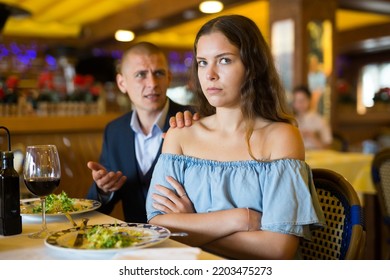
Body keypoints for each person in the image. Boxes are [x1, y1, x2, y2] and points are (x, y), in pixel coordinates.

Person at [146, 15, 326, 260]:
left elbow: (277, 249)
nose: (209, 74)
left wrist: (191, 224)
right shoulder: (180, 135)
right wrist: (242, 218)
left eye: (224, 60)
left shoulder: (282, 137)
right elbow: (157, 226)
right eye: (201, 62)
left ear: (253, 66)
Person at [86, 42, 196, 223]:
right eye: (141, 75)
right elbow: (95, 206)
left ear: (168, 77)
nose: (152, 83)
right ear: (122, 83)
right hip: (135, 242)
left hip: (185, 241)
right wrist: (104, 189)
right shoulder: (115, 131)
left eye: (158, 73)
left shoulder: (192, 121)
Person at [292, 85, 332, 150]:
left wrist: (312, 137)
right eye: (296, 101)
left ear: (309, 100)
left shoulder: (320, 120)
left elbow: (328, 147)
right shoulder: (291, 121)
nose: (299, 104)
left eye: (302, 100)